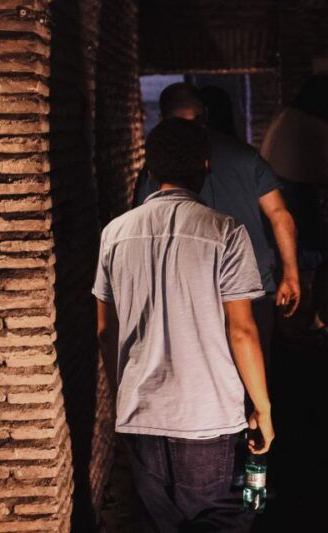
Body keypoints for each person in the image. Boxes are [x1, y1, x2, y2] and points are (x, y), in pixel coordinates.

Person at [94, 118, 273, 531]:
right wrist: (262, 409)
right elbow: (243, 331)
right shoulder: (225, 232)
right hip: (206, 416)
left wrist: (126, 393)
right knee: (219, 520)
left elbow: (106, 331)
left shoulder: (114, 234)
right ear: (205, 167)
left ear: (150, 172)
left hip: (140, 415)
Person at [134, 82, 299, 359]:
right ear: (205, 113)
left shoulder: (159, 168)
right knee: (253, 372)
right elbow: (280, 215)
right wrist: (291, 274)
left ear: (163, 120)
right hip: (252, 286)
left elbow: (146, 229)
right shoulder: (244, 156)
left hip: (190, 294)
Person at [261, 75, 328, 339]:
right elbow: (325, 174)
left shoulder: (283, 116)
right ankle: (310, 319)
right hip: (298, 200)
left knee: (281, 263)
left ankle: (281, 323)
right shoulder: (317, 126)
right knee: (322, 258)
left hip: (267, 198)